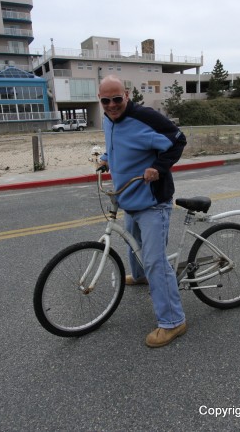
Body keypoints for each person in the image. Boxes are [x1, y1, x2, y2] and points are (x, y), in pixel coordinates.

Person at [97, 75, 187, 348]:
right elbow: (115, 146)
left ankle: (173, 321)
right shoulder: (108, 120)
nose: (112, 105)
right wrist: (104, 159)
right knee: (131, 244)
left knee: (155, 260)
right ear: (100, 100)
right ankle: (139, 277)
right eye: (105, 100)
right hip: (128, 197)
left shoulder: (145, 118)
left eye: (116, 99)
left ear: (127, 94)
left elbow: (177, 140)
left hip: (152, 201)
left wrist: (158, 168)